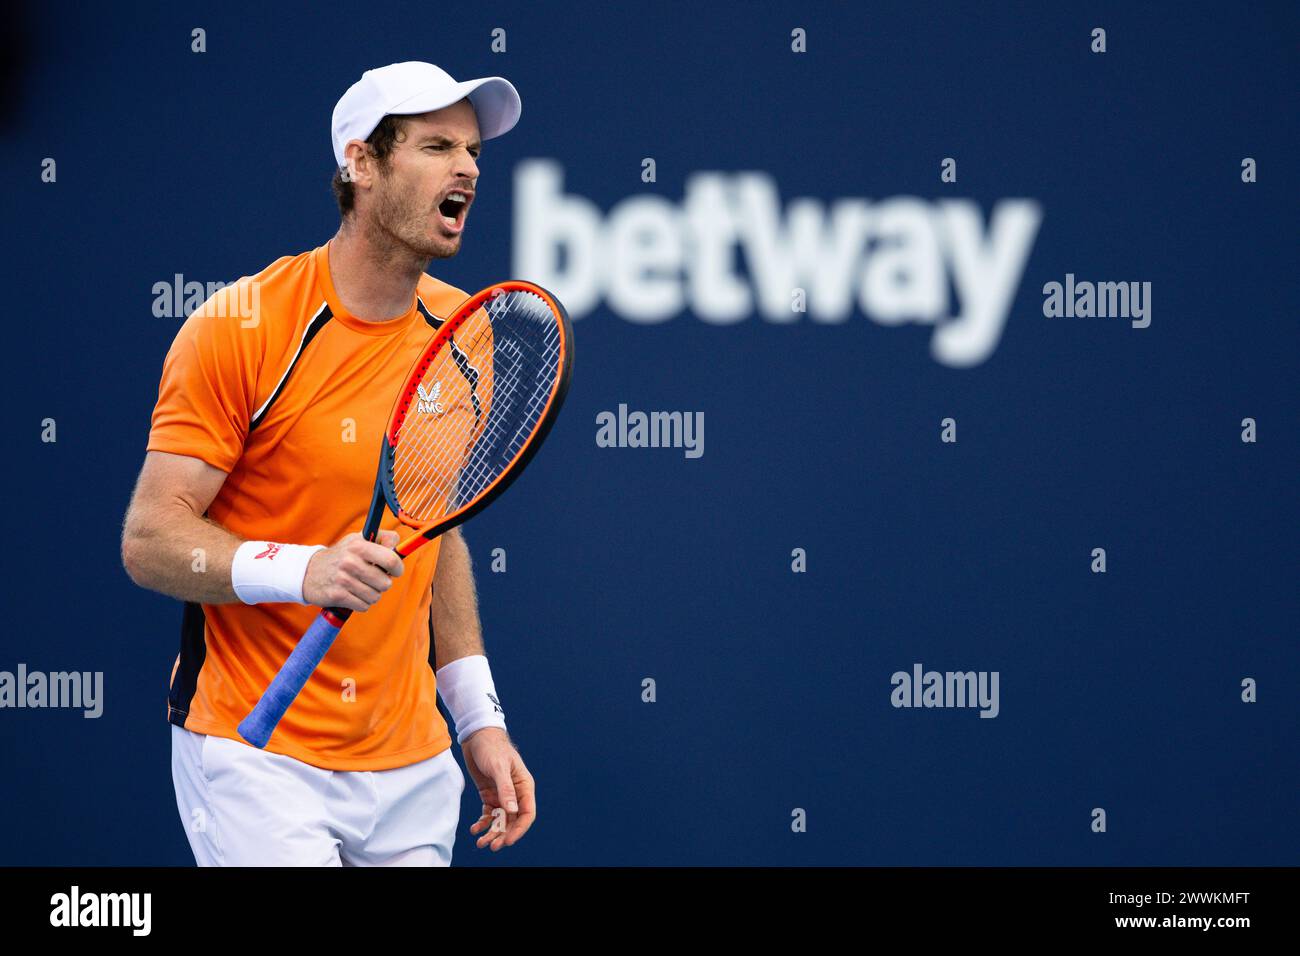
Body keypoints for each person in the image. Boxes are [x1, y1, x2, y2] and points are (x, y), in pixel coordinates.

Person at [121, 62, 536, 866]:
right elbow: (149, 539)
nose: (469, 169)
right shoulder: (241, 326)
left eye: (475, 151)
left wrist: (478, 717)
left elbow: (432, 533)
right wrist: (303, 570)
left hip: (412, 765)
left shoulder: (464, 333)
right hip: (256, 754)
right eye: (436, 145)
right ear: (362, 163)